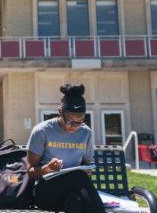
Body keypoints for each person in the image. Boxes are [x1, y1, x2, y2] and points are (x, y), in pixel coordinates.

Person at [27, 83, 105, 213]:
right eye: (70, 121)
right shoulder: (42, 131)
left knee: (76, 201)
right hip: (45, 192)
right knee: (78, 177)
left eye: (80, 121)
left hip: (70, 192)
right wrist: (49, 168)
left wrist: (88, 172)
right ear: (59, 112)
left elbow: (85, 167)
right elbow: (30, 171)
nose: (74, 126)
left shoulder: (86, 132)